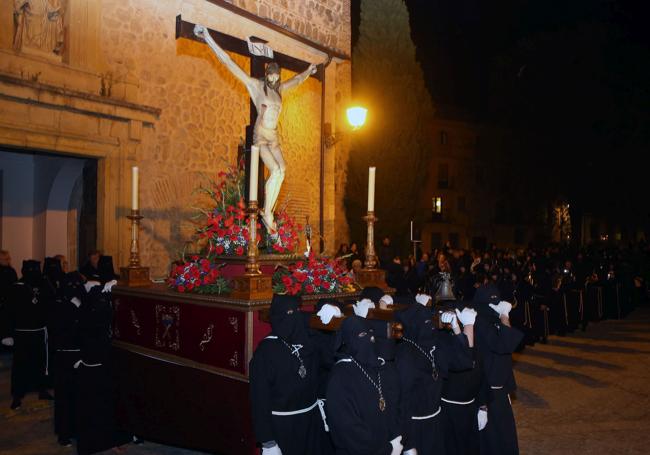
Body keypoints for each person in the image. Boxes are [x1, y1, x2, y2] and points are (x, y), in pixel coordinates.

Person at [193, 24, 318, 232]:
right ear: (266, 73)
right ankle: (267, 213)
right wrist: (207, 36)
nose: (274, 79)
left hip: (274, 137)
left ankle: (269, 209)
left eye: (277, 76)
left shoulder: (279, 90)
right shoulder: (256, 86)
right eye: (271, 75)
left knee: (282, 171)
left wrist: (309, 71)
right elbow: (229, 63)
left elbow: (295, 81)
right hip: (260, 137)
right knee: (276, 169)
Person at [249, 294, 332, 455]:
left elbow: (329, 356)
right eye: (288, 313)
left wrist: (331, 316)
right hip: (283, 427)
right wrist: (268, 441)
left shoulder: (307, 341)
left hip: (311, 422)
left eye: (297, 312)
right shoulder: (265, 352)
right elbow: (259, 400)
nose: (294, 317)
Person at [395, 305, 474, 455]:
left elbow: (464, 361)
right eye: (425, 323)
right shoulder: (404, 356)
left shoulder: (434, 345)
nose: (431, 327)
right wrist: (407, 443)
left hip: (437, 420)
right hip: (414, 427)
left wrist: (456, 328)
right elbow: (401, 402)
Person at [326, 316, 403, 455]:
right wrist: (387, 450)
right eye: (362, 334)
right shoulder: (340, 378)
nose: (370, 339)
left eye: (371, 332)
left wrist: (399, 440)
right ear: (348, 340)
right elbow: (348, 428)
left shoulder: (378, 366)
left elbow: (394, 406)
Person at [473, 300, 524, 455]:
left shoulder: (496, 328)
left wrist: (504, 317)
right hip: (485, 394)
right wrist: (504, 317)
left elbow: (508, 343)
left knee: (503, 435)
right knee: (490, 438)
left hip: (500, 393)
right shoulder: (483, 328)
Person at [2, 260, 54, 410]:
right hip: (21, 333)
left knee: (41, 363)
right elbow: (7, 312)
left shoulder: (44, 284)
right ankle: (17, 395)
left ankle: (42, 389)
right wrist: (7, 334)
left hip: (39, 331)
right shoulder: (16, 288)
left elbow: (51, 303)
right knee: (20, 365)